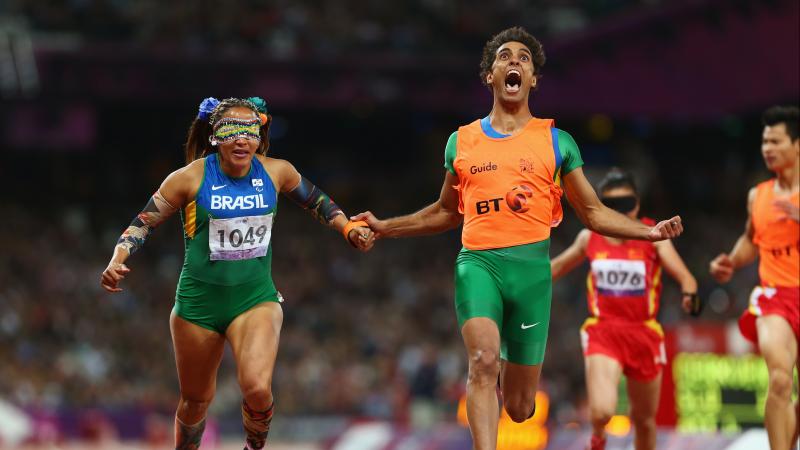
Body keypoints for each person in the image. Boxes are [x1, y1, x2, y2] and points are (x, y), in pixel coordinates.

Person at [351, 27, 684, 450]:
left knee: (521, 407)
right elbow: (445, 212)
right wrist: (386, 226)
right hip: (479, 265)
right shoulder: (462, 141)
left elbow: (595, 212)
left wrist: (649, 232)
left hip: (531, 276)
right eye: (504, 57)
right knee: (482, 361)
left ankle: (513, 367)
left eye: (524, 59)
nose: (514, 62)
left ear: (533, 80)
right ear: (489, 76)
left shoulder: (556, 142)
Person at [100, 97, 373, 450]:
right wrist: (117, 257)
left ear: (259, 136)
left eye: (250, 131)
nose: (242, 139)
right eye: (232, 131)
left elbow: (317, 201)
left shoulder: (277, 171)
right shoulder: (189, 178)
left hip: (254, 298)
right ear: (215, 136)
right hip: (198, 306)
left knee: (258, 389)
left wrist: (348, 228)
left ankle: (253, 448)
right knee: (196, 401)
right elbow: (142, 222)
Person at [550, 168, 699, 450]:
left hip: (644, 335)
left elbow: (686, 277)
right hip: (604, 331)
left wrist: (691, 296)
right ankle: (597, 436)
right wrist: (517, 283)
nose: (622, 211)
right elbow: (555, 268)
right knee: (602, 412)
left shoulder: (654, 237)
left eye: (626, 204)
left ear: (637, 203)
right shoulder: (589, 237)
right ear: (603, 207)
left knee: (643, 420)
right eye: (613, 205)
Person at [710, 105, 799, 450]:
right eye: (764, 141)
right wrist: (732, 260)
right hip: (775, 298)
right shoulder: (757, 196)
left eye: (776, 141)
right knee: (779, 380)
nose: (767, 148)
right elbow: (751, 238)